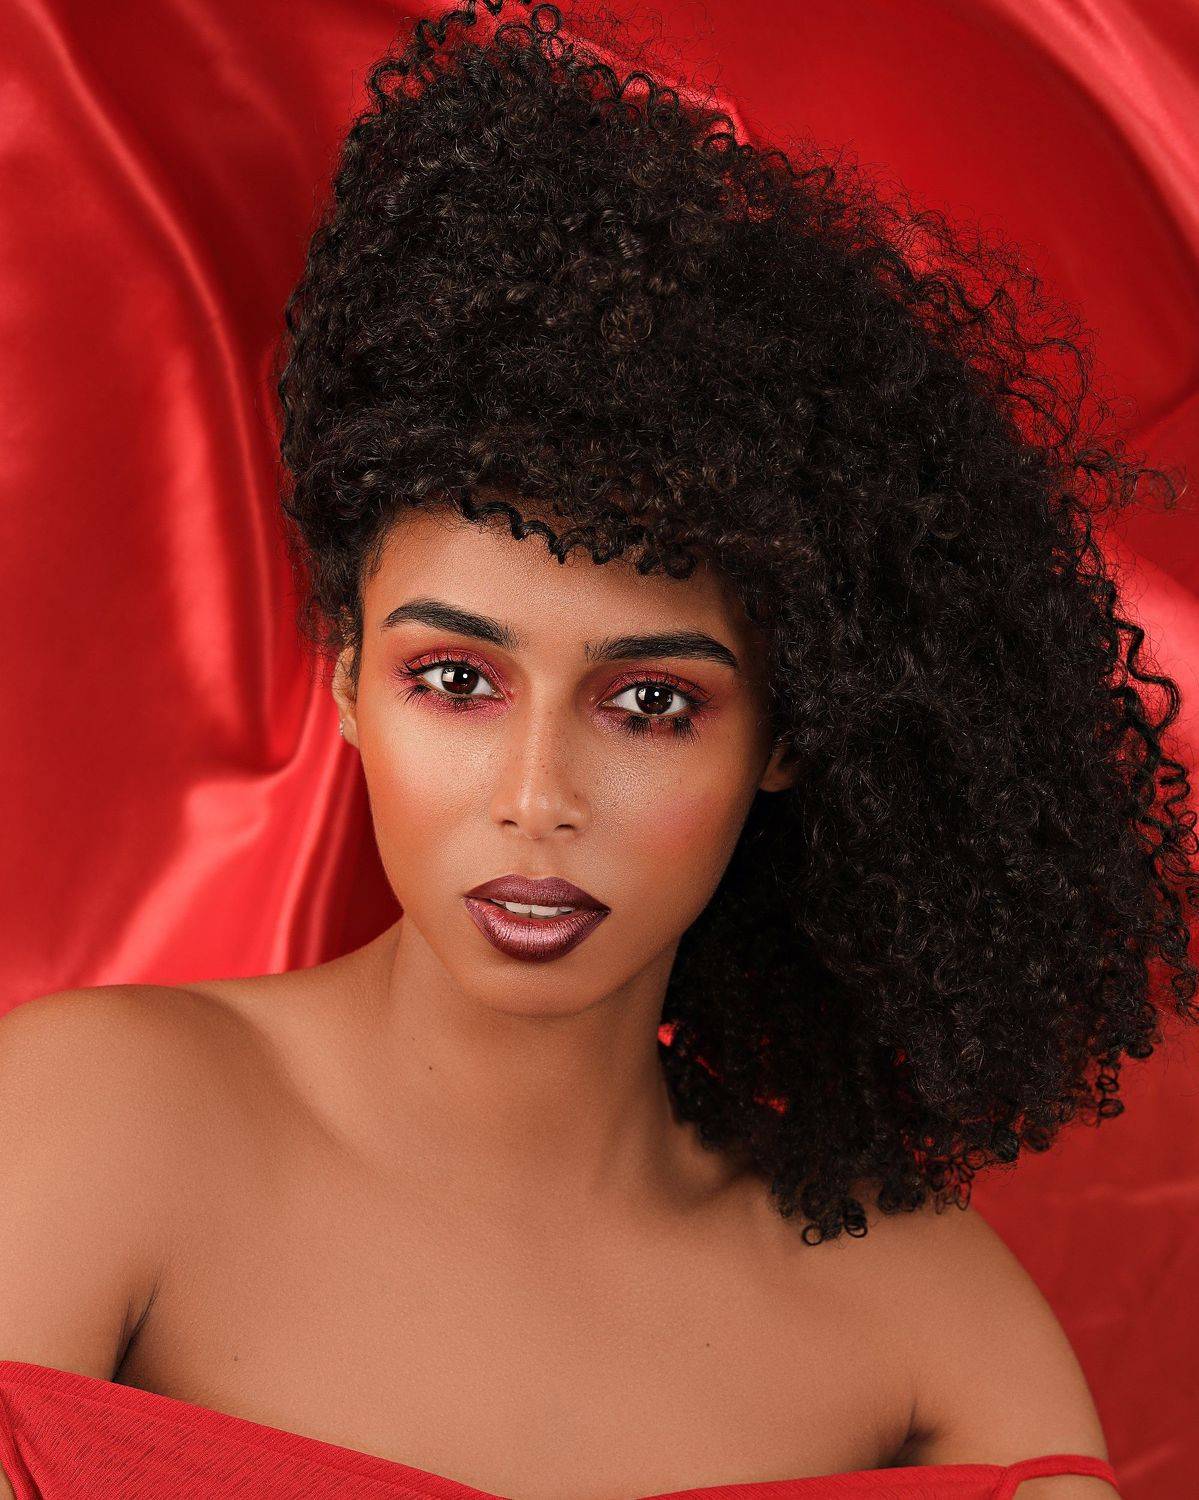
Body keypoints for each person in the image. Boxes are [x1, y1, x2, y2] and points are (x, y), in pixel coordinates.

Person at [1, 0, 1190, 1494]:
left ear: (788, 733)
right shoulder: (94, 1122)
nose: (538, 799)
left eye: (651, 705)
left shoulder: (934, 1331)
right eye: (456, 679)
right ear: (348, 677)